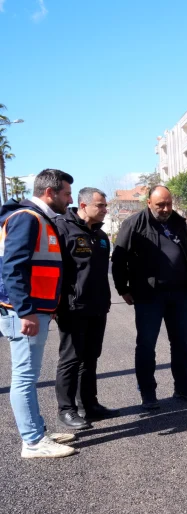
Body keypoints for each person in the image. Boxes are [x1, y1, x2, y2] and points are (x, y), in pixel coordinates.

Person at [0, 169, 77, 458]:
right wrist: (26, 310)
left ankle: (36, 431)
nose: (70, 199)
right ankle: (32, 441)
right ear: (49, 193)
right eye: (67, 194)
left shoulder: (38, 218)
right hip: (25, 312)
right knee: (24, 376)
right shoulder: (27, 218)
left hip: (36, 309)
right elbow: (12, 267)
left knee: (27, 375)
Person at [111, 185, 187, 410]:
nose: (165, 208)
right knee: (146, 345)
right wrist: (123, 288)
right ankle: (148, 392)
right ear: (149, 203)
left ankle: (183, 386)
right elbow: (119, 259)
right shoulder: (133, 224)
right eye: (160, 204)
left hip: (179, 294)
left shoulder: (179, 222)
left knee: (182, 343)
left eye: (169, 203)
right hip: (148, 295)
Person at [53, 187, 119, 429]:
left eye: (105, 206)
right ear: (83, 206)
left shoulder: (101, 236)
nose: (105, 210)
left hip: (97, 306)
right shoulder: (62, 228)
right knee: (71, 358)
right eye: (100, 206)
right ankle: (66, 409)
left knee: (91, 357)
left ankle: (89, 405)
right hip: (72, 307)